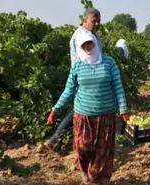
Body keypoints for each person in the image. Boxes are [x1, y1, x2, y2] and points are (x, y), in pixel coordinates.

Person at [47, 31, 130, 184]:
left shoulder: (109, 63)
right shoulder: (78, 66)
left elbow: (118, 87)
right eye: (84, 44)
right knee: (83, 147)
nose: (87, 46)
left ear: (96, 43)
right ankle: (85, 171)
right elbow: (69, 90)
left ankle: (97, 180)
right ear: (80, 46)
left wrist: (123, 109)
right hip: (83, 116)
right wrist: (55, 109)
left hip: (105, 116)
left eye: (90, 43)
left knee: (102, 152)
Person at [44, 8, 103, 150]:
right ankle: (59, 140)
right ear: (85, 21)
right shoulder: (83, 36)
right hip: (85, 79)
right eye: (94, 21)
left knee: (78, 111)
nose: (97, 24)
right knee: (79, 111)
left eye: (99, 21)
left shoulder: (90, 34)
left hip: (88, 78)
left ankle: (57, 140)